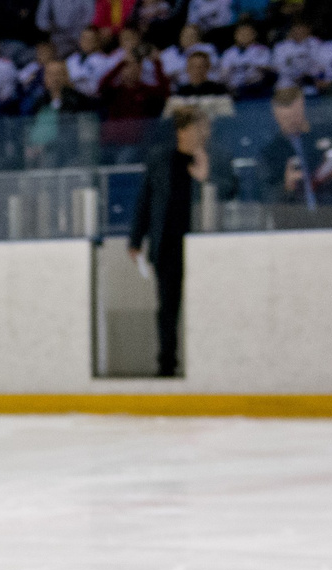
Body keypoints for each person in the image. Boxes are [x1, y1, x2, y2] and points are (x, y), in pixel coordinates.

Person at [129, 102, 207, 377]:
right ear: (184, 130)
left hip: (202, 245)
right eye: (200, 127)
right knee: (168, 307)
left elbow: (228, 191)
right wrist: (135, 239)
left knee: (202, 304)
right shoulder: (161, 159)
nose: (205, 133)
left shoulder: (211, 158)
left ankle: (206, 361)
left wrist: (204, 176)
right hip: (168, 244)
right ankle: (166, 363)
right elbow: (146, 198)